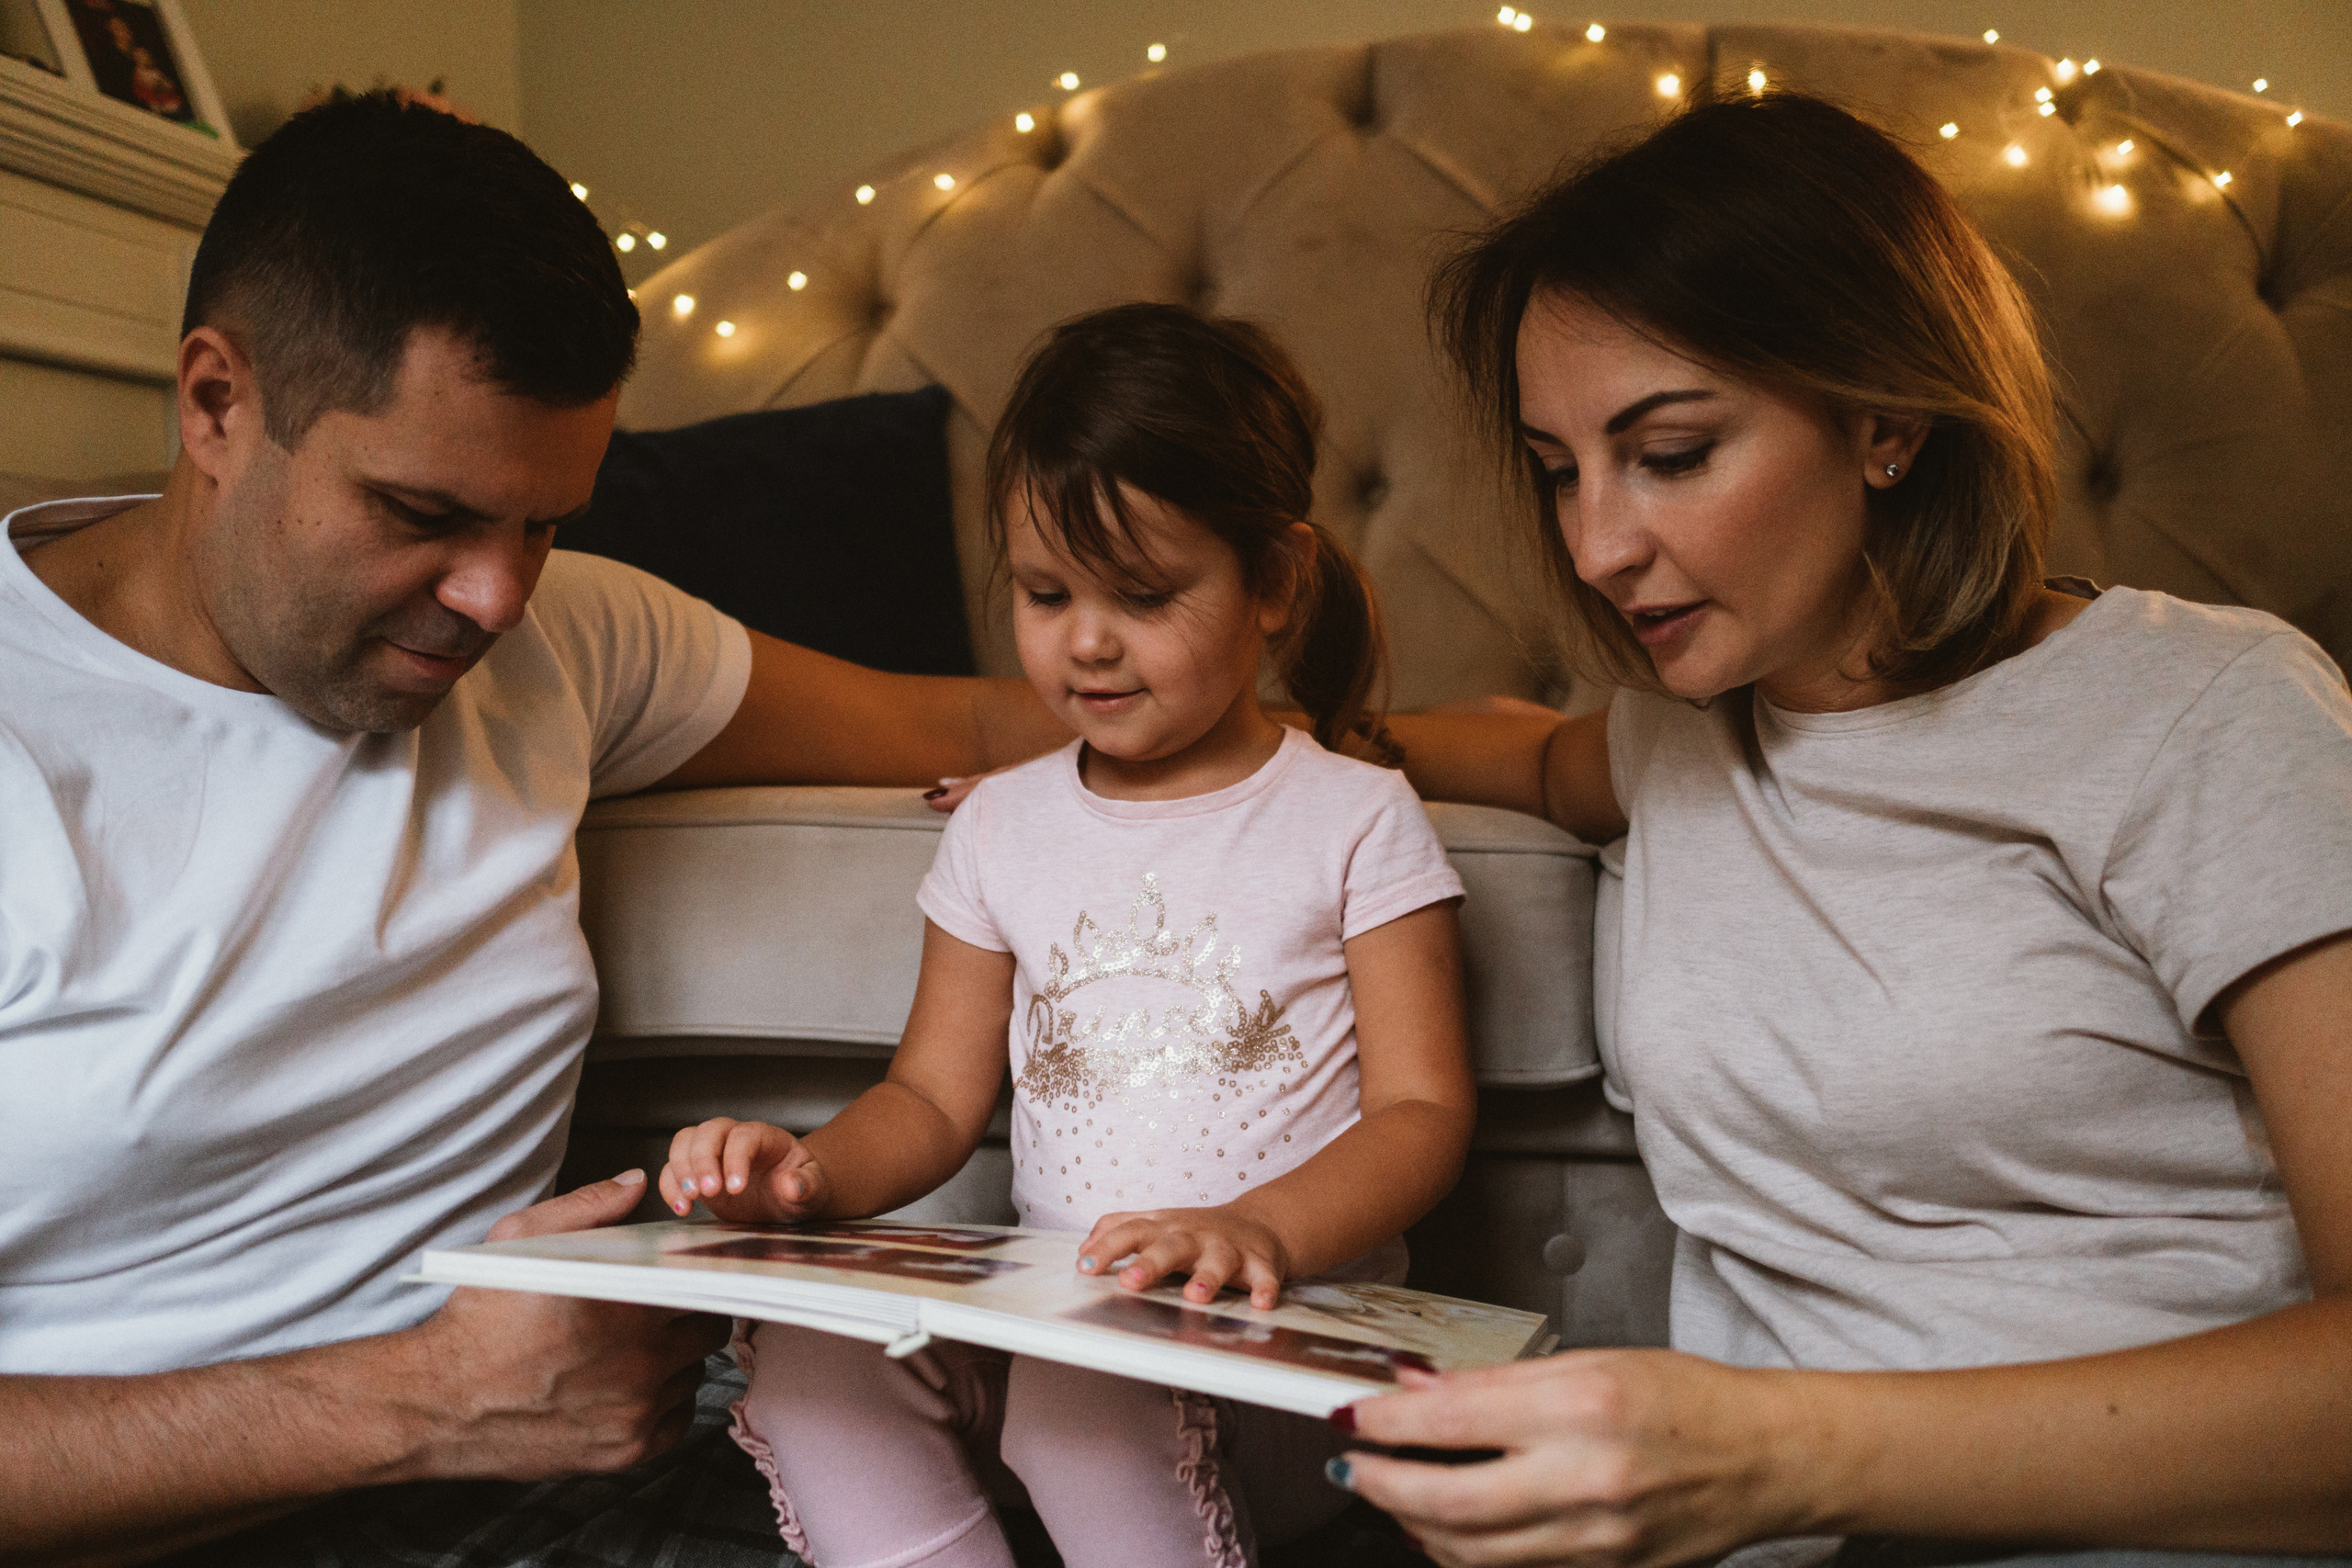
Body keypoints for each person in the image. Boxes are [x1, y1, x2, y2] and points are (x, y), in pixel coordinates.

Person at [0, 94, 1067, 1563]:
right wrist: (428, 1401)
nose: (497, 599)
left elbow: (967, 724)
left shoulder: (570, 639)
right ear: (215, 404)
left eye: (544, 523)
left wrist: (1458, 745)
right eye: (422, 510)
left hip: (577, 1481)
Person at [1329, 94, 2352, 1563]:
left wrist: (1773, 1455)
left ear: (1886, 420)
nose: (1600, 546)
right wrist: (1248, 747)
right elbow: (1527, 756)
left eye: (1669, 452)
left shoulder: (2207, 714)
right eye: (1562, 472)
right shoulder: (1680, 734)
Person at [659, 303, 1478, 1568]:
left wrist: (1259, 1226)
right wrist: (809, 1175)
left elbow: (1423, 1112)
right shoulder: (1000, 827)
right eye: (1047, 593)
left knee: (1089, 1392)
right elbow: (930, 1097)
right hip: (1054, 1349)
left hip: (1273, 1364)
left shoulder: (1353, 817)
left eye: (1142, 596)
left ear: (1274, 582)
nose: (1085, 640)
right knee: (813, 1362)